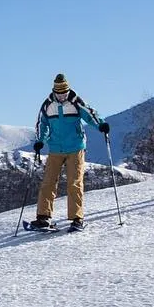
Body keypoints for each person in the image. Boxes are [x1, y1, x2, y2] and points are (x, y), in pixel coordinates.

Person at [31, 73, 108, 232]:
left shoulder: (76, 101)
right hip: (55, 148)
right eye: (59, 94)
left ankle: (77, 219)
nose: (62, 97)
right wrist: (40, 141)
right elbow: (42, 125)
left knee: (74, 183)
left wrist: (101, 125)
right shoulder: (47, 105)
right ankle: (43, 217)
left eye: (64, 93)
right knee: (48, 182)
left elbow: (90, 115)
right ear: (54, 92)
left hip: (75, 147)